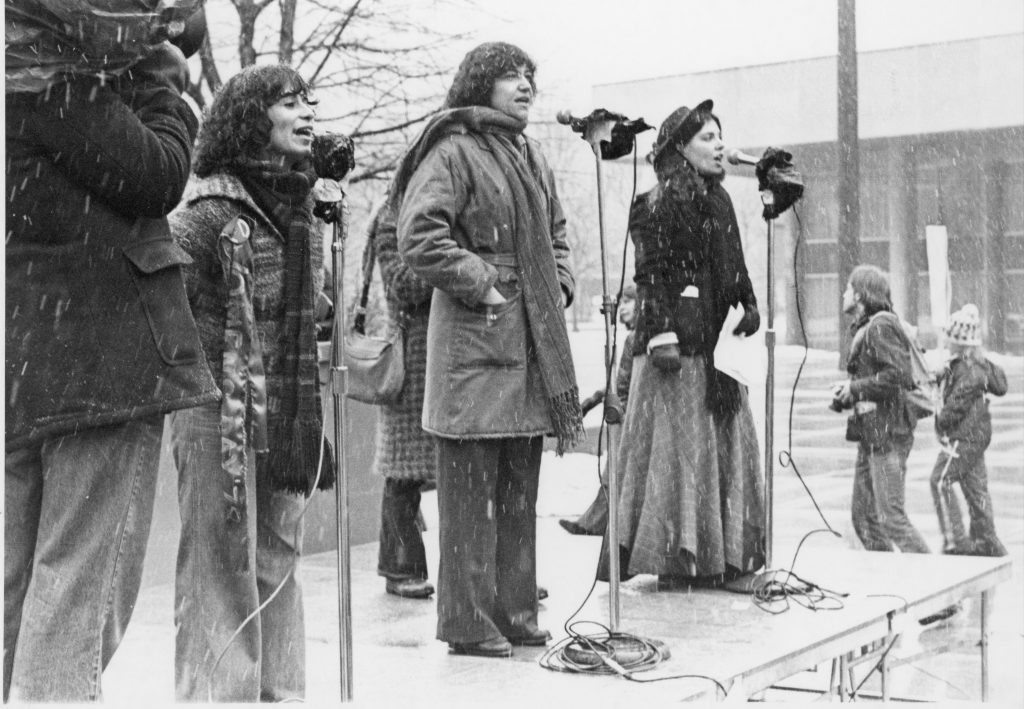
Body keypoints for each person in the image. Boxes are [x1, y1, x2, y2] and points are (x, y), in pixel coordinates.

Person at [4, 41, 219, 700]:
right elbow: (157, 174)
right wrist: (163, 77)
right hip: (100, 361)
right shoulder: (58, 90)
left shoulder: (19, 83)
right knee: (83, 582)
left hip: (30, 354)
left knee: (16, 573)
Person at [396, 41, 583, 658]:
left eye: (530, 75)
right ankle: (469, 622)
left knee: (517, 490)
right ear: (481, 84)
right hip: (476, 342)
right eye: (511, 75)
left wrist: (556, 282)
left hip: (527, 338)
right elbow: (419, 236)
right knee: (471, 494)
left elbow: (558, 234)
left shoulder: (528, 152)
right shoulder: (451, 149)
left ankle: (515, 609)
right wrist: (485, 283)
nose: (526, 85)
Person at [168, 64, 334, 701]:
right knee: (218, 560)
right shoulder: (210, 210)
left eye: (307, 99)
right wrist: (216, 370)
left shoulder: (300, 205)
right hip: (220, 410)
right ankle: (221, 695)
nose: (307, 111)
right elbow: (167, 295)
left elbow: (311, 304)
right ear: (250, 119)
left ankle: (279, 690)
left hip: (288, 407)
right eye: (291, 102)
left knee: (276, 556)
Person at [601, 100, 765, 589]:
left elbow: (733, 266)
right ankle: (677, 558)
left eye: (720, 136)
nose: (719, 147)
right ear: (679, 149)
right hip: (678, 355)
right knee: (678, 456)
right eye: (707, 139)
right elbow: (651, 277)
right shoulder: (653, 204)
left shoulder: (720, 200)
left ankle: (721, 556)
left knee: (722, 449)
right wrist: (661, 333)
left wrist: (749, 303)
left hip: (720, 353)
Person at [832, 264, 930, 554]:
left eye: (849, 288)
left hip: (888, 433)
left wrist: (855, 388)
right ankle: (892, 581)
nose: (844, 293)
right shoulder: (868, 329)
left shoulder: (881, 327)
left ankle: (944, 594)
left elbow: (897, 376)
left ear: (861, 294)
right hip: (873, 433)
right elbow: (880, 380)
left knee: (891, 519)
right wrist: (848, 393)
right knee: (864, 519)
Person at [370, 202, 437, 599]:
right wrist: (447, 264)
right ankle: (399, 566)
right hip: (410, 358)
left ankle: (406, 564)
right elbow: (401, 284)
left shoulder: (421, 210)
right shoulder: (391, 218)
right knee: (403, 471)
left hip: (438, 354)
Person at [930, 304, 1009, 557]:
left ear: (959, 343)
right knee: (976, 489)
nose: (947, 342)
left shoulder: (968, 371)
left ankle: (956, 541)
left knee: (940, 481)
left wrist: (939, 420)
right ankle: (987, 540)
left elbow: (953, 408)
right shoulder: (976, 366)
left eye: (950, 338)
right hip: (976, 437)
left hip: (963, 437)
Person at [560, 284, 638, 536]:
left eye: (628, 302)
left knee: (614, 473)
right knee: (615, 473)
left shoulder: (634, 340)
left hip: (631, 414)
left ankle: (595, 524)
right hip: (627, 410)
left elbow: (621, 385)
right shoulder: (632, 338)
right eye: (621, 303)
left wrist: (592, 403)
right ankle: (597, 522)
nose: (622, 308)